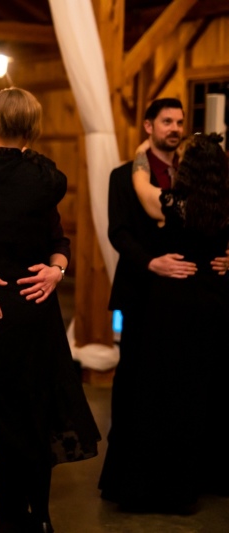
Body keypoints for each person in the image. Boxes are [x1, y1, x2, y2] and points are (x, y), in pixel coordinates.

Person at [0, 88, 101, 533]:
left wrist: (58, 267)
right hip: (24, 308)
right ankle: (20, 513)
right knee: (19, 413)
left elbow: (55, 237)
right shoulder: (44, 176)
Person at [99, 100, 229, 512]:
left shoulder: (172, 197)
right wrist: (150, 261)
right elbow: (118, 231)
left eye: (180, 123)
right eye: (168, 122)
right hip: (152, 294)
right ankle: (132, 475)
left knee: (177, 391)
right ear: (150, 125)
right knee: (141, 388)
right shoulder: (124, 176)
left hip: (178, 302)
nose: (175, 129)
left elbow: (148, 194)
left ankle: (175, 477)